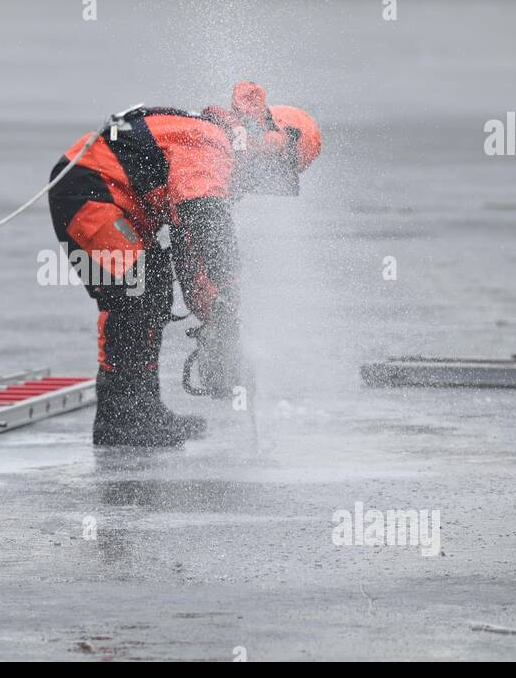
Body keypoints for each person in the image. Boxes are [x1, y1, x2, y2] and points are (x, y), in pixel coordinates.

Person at [47, 82, 321, 446]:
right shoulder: (211, 144)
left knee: (153, 286)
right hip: (86, 190)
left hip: (101, 193)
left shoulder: (215, 150)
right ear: (273, 145)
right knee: (134, 293)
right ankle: (120, 422)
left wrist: (219, 319)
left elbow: (192, 250)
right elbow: (207, 229)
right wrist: (224, 310)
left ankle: (142, 412)